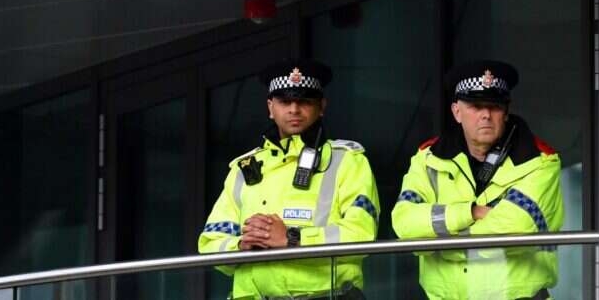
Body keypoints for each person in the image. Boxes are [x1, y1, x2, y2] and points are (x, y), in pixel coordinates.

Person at [199, 59, 379, 299]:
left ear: (321, 106)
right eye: (285, 101)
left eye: (304, 101)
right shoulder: (243, 169)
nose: (294, 109)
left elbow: (362, 234)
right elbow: (210, 242)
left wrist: (292, 239)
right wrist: (241, 245)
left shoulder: (347, 161)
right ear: (270, 108)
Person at [392, 60, 563, 300]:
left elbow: (516, 231)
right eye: (475, 105)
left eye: (494, 106)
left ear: (506, 111)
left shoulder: (539, 161)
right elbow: (404, 224)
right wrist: (470, 212)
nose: (485, 115)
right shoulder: (427, 159)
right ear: (456, 112)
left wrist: (442, 243)